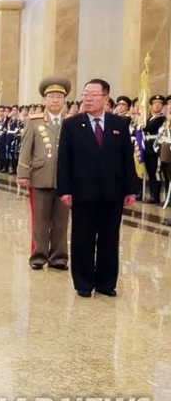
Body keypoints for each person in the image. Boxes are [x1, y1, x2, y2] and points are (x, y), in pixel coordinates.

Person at [56, 78, 137, 298]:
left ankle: (106, 283)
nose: (88, 99)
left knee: (109, 239)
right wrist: (65, 189)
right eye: (85, 94)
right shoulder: (72, 125)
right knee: (83, 238)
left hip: (113, 191)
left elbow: (127, 158)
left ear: (105, 98)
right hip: (83, 191)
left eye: (93, 95)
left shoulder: (119, 124)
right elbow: (64, 160)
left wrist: (131, 189)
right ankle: (83, 282)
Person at [17, 77, 71, 271]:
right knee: (40, 220)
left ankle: (59, 257)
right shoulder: (35, 121)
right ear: (44, 100)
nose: (55, 100)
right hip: (40, 177)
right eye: (51, 97)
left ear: (64, 100)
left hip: (65, 180)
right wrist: (23, 173)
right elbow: (25, 149)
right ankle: (39, 255)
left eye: (59, 97)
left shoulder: (71, 122)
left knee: (61, 221)